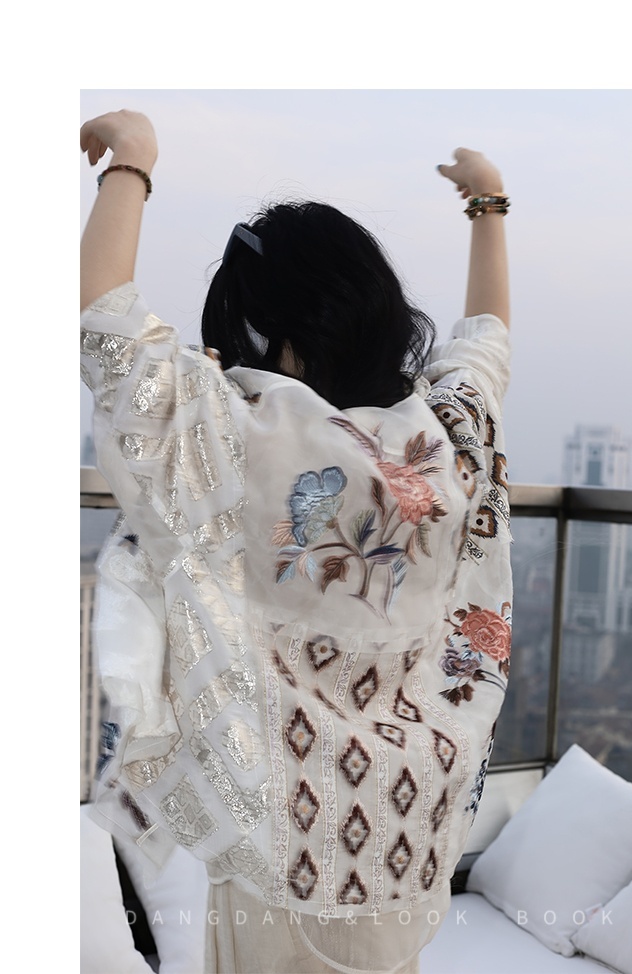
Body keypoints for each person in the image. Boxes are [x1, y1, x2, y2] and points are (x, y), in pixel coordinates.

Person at [80, 109, 513, 974]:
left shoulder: (246, 433)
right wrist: (488, 206)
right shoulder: (447, 439)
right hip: (411, 832)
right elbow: (487, 345)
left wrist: (132, 160)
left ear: (268, 326)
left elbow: (105, 324)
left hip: (287, 848)